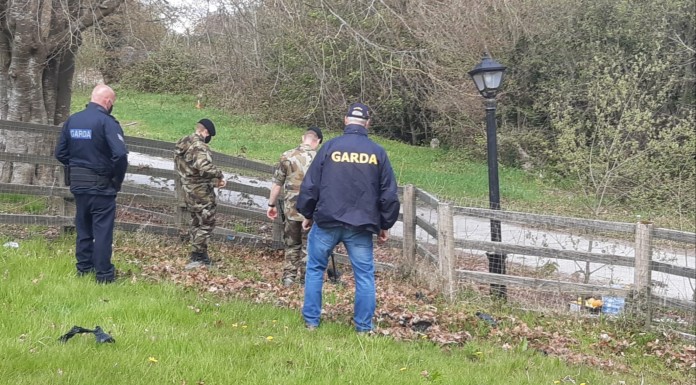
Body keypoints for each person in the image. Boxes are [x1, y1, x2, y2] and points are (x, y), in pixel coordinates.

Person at [297, 102, 400, 333]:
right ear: (367, 123)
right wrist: (385, 224)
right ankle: (363, 327)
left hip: (326, 221)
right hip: (361, 226)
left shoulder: (330, 147)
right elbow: (389, 194)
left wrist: (307, 214)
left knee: (315, 269)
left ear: (345, 121)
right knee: (364, 277)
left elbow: (311, 185)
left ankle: (311, 322)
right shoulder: (377, 153)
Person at [55, 84, 128, 284]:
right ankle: (104, 275)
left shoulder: (73, 120)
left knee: (83, 227)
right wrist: (116, 179)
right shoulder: (106, 122)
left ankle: (84, 268)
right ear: (108, 102)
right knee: (102, 230)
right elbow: (120, 154)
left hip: (78, 185)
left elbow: (60, 153)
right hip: (102, 186)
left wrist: (79, 168)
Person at [266, 126, 323, 287]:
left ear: (302, 138)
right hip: (311, 211)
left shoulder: (287, 156)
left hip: (291, 209)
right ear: (317, 141)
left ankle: (288, 278)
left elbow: (277, 184)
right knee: (309, 245)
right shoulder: (321, 159)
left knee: (292, 244)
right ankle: (306, 279)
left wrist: (271, 204)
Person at [174, 118, 227, 269]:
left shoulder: (183, 141)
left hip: (187, 186)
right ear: (206, 132)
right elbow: (203, 165)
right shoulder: (199, 146)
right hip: (201, 189)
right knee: (207, 221)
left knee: (196, 220)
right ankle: (197, 255)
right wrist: (219, 175)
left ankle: (200, 254)